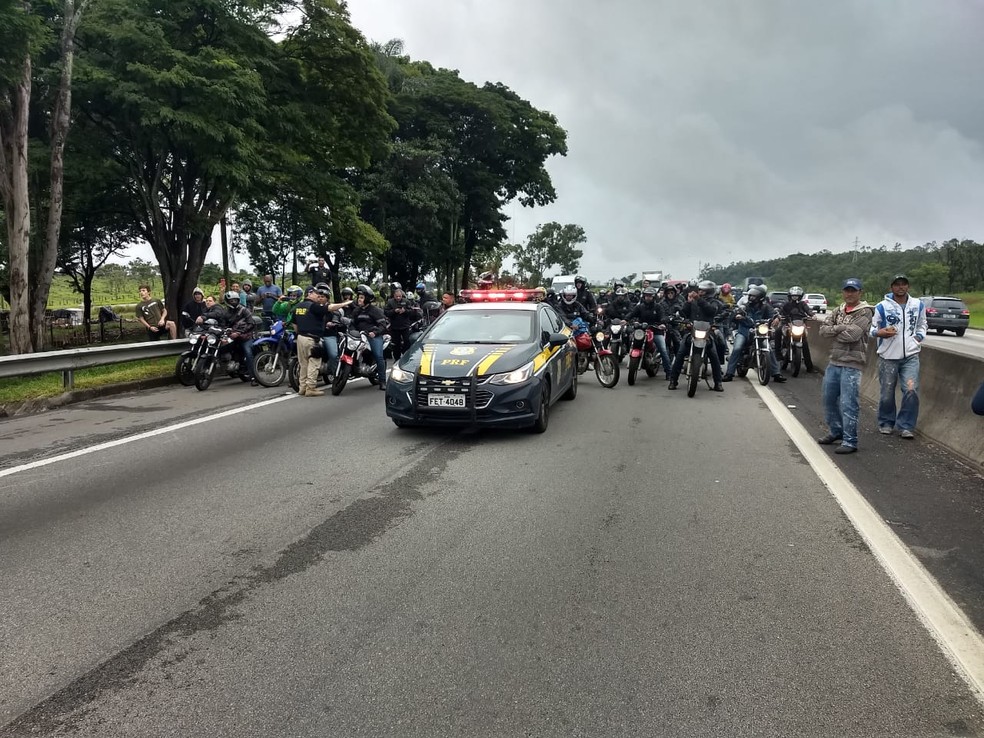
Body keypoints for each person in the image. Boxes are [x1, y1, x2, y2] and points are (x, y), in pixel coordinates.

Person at [817, 278, 874, 454]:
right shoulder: (838, 309)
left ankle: (850, 440)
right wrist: (841, 328)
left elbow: (853, 336)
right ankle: (836, 431)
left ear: (860, 292)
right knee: (828, 400)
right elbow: (822, 330)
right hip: (834, 361)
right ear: (843, 292)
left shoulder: (864, 312)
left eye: (853, 290)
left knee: (849, 403)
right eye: (847, 290)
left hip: (852, 364)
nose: (849, 293)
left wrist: (835, 329)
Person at [870, 274, 928, 439]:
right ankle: (886, 422)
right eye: (897, 284)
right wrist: (880, 333)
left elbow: (922, 323)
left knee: (911, 390)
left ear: (908, 287)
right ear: (891, 287)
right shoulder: (882, 306)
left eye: (904, 284)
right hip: (888, 357)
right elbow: (872, 329)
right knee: (887, 392)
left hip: (910, 356)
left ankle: (906, 425)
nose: (900, 287)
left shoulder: (918, 305)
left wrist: (918, 338)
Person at [667, 283, 724, 391]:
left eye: (702, 290)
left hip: (707, 334)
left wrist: (698, 299)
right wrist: (688, 303)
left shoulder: (714, 302)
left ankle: (718, 382)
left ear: (709, 291)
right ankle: (673, 380)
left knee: (713, 355)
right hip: (692, 332)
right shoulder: (693, 301)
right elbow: (684, 313)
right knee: (680, 353)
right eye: (699, 290)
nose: (699, 292)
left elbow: (711, 311)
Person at [624, 287, 672, 379]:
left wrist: (662, 323)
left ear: (653, 297)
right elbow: (632, 313)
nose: (648, 297)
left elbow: (663, 316)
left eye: (650, 296)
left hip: (656, 330)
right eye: (646, 295)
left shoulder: (658, 307)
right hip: (642, 330)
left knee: (663, 349)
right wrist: (625, 320)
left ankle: (669, 372)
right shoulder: (640, 306)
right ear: (644, 296)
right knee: (632, 339)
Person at [292, 287, 331, 397]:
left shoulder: (298, 307)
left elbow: (294, 324)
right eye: (316, 294)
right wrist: (344, 303)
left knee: (303, 363)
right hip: (312, 338)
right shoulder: (313, 306)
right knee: (314, 363)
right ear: (309, 294)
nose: (318, 296)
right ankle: (311, 388)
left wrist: (300, 333)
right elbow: (329, 308)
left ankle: (302, 387)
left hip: (300, 337)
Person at [349, 285, 389, 389]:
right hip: (359, 336)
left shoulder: (375, 311)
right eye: (359, 297)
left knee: (378, 356)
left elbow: (383, 325)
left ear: (367, 299)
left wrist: (375, 333)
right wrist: (351, 330)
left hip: (373, 336)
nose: (359, 299)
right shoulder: (356, 311)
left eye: (361, 297)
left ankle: (382, 381)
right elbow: (352, 323)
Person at [779, 286, 816, 372]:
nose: (795, 297)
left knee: (805, 345)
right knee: (779, 336)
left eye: (797, 296)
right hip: (788, 323)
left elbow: (808, 310)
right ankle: (778, 358)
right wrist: (780, 315)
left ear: (800, 296)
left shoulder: (803, 304)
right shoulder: (786, 304)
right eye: (793, 295)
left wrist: (812, 315)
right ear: (790, 296)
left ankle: (809, 367)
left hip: (799, 325)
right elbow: (781, 310)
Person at [384, 287, 423, 361]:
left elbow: (411, 312)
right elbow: (386, 312)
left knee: (407, 342)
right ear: (394, 296)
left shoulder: (406, 301)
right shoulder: (390, 302)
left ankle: (406, 356)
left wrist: (404, 311)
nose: (398, 298)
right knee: (396, 344)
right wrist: (394, 311)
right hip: (394, 326)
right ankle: (396, 358)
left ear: (402, 296)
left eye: (400, 296)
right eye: (397, 296)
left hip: (405, 326)